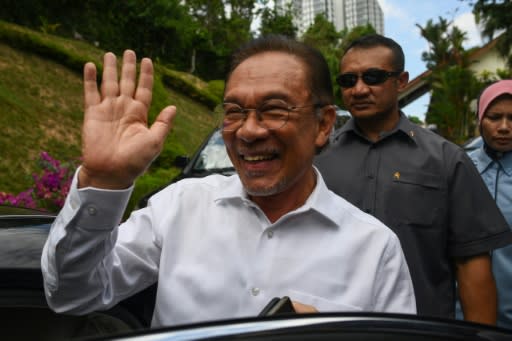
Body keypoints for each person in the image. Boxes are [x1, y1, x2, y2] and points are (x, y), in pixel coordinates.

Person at [41, 35, 416, 327]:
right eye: (234, 111)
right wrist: (103, 182)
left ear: (323, 125)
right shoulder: (180, 206)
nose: (248, 131)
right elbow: (74, 294)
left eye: (273, 109)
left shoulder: (374, 249)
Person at [314, 34, 512, 324]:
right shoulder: (316, 160)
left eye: (373, 77)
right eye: (348, 80)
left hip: (422, 329)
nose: (359, 89)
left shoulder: (447, 160)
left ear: (402, 81)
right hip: (334, 327)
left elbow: (471, 263)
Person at [465, 80, 512, 328]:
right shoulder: (459, 168)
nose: (504, 127)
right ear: (480, 118)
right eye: (494, 117)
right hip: (462, 319)